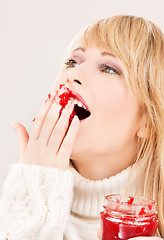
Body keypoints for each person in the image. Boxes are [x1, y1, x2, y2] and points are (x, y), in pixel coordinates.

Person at [0, 14, 163, 240]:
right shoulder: (13, 215)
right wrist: (33, 196)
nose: (73, 73)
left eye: (108, 68)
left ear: (147, 121)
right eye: (72, 62)